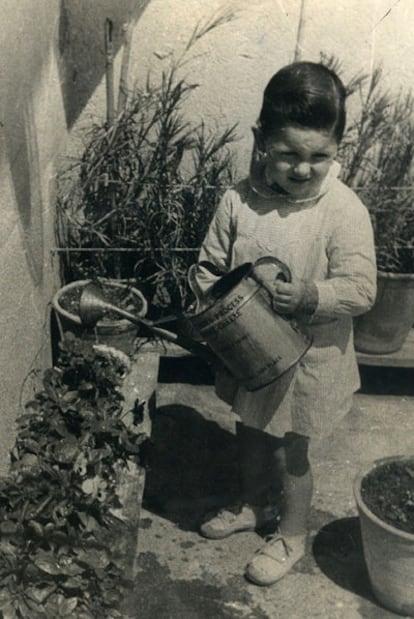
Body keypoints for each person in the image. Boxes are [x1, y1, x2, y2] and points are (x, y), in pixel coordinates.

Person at [192, 61, 377, 586]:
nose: (302, 169)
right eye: (289, 153)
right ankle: (253, 505)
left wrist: (313, 294)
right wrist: (210, 298)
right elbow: (208, 266)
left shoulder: (342, 210)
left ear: (337, 149)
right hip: (249, 355)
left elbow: (363, 288)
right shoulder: (238, 201)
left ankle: (292, 534)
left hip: (308, 360)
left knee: (292, 452)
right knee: (249, 431)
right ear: (261, 141)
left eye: (319, 156)